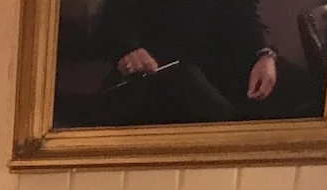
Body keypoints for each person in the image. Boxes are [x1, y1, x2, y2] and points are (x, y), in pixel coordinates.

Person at [96, 0, 315, 125]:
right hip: (162, 70)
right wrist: (129, 50)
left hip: (220, 65)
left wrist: (265, 55)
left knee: (303, 91)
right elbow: (111, 20)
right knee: (215, 111)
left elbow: (248, 14)